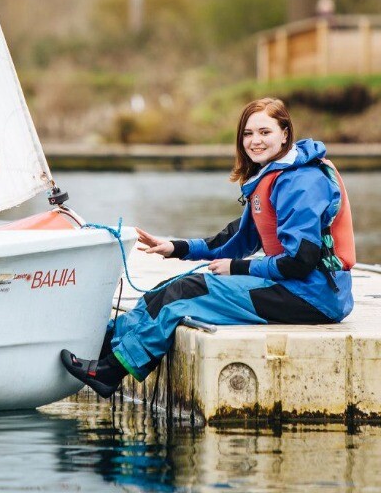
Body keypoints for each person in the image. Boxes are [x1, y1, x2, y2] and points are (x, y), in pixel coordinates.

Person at [60, 97, 356, 398]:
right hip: (295, 287)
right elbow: (235, 240)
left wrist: (236, 268)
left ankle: (110, 373)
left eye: (265, 132)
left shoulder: (303, 182)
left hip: (315, 296)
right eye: (247, 134)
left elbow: (301, 261)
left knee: (187, 293)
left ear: (285, 133)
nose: (255, 141)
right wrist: (175, 247)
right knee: (169, 287)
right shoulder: (274, 175)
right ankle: (103, 347)